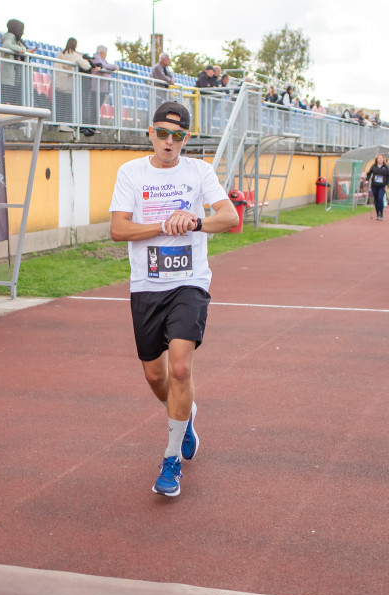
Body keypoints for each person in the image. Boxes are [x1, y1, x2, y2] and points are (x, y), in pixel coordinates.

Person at [108, 101, 239, 497]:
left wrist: (195, 221)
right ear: (150, 133)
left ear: (186, 138)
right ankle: (186, 416)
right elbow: (118, 229)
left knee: (181, 368)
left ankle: (171, 460)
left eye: (178, 135)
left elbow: (230, 218)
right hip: (147, 285)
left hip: (189, 282)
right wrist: (163, 225)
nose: (169, 141)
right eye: (163, 133)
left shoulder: (199, 172)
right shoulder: (130, 173)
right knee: (156, 376)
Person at [56, 37, 93, 134]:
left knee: (59, 106)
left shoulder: (60, 54)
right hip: (68, 85)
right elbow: (87, 66)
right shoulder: (74, 55)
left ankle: (58, 125)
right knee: (68, 106)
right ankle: (65, 125)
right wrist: (81, 57)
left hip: (57, 83)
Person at [0, 19, 36, 106]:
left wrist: (22, 49)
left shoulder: (17, 40)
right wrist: (19, 49)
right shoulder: (10, 36)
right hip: (7, 77)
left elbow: (24, 49)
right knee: (5, 100)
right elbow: (7, 45)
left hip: (13, 77)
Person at [90, 45, 118, 127]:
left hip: (101, 88)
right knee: (94, 108)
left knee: (96, 108)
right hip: (97, 88)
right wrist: (114, 67)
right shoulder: (97, 57)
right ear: (102, 52)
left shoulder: (102, 59)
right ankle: (92, 126)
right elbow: (103, 66)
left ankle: (93, 126)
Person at [366, 153, 389, 220]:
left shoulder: (386, 168)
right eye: (379, 158)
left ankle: (381, 214)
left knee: (380, 198)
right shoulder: (373, 166)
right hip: (374, 185)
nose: (380, 159)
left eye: (381, 158)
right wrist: (367, 180)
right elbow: (369, 174)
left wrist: (387, 185)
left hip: (382, 186)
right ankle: (377, 214)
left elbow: (388, 177)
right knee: (376, 200)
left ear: (383, 159)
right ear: (376, 159)